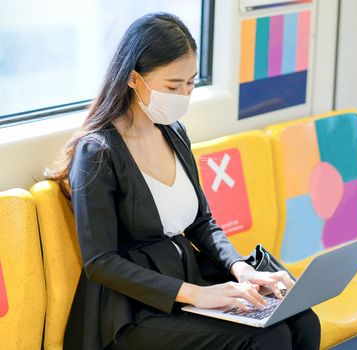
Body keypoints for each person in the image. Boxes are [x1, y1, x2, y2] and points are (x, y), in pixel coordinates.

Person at [45, 12, 321, 350]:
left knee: (301, 319)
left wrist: (240, 269)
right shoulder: (98, 151)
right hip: (133, 311)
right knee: (267, 338)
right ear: (134, 79)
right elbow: (101, 263)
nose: (184, 94)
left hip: (188, 280)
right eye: (173, 86)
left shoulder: (174, 132)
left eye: (190, 83)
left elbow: (202, 222)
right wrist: (199, 295)